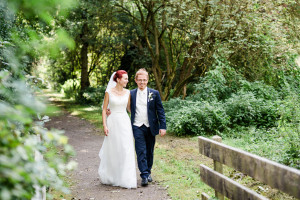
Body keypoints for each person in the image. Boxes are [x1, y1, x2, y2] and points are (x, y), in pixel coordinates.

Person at [98, 70, 137, 189]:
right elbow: (104, 109)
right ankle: (113, 176)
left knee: (126, 148)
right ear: (118, 80)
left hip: (124, 122)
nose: (127, 80)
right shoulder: (108, 92)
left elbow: (130, 109)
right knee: (114, 149)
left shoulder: (128, 92)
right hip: (112, 122)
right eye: (125, 78)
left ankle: (126, 178)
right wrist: (105, 125)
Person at [130, 68, 167, 186]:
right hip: (137, 126)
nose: (142, 82)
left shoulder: (154, 93)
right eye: (140, 80)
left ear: (147, 80)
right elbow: (120, 102)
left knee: (149, 151)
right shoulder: (131, 94)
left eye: (144, 80)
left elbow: (160, 111)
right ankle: (144, 175)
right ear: (136, 80)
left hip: (151, 126)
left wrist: (163, 126)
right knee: (141, 150)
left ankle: (148, 171)